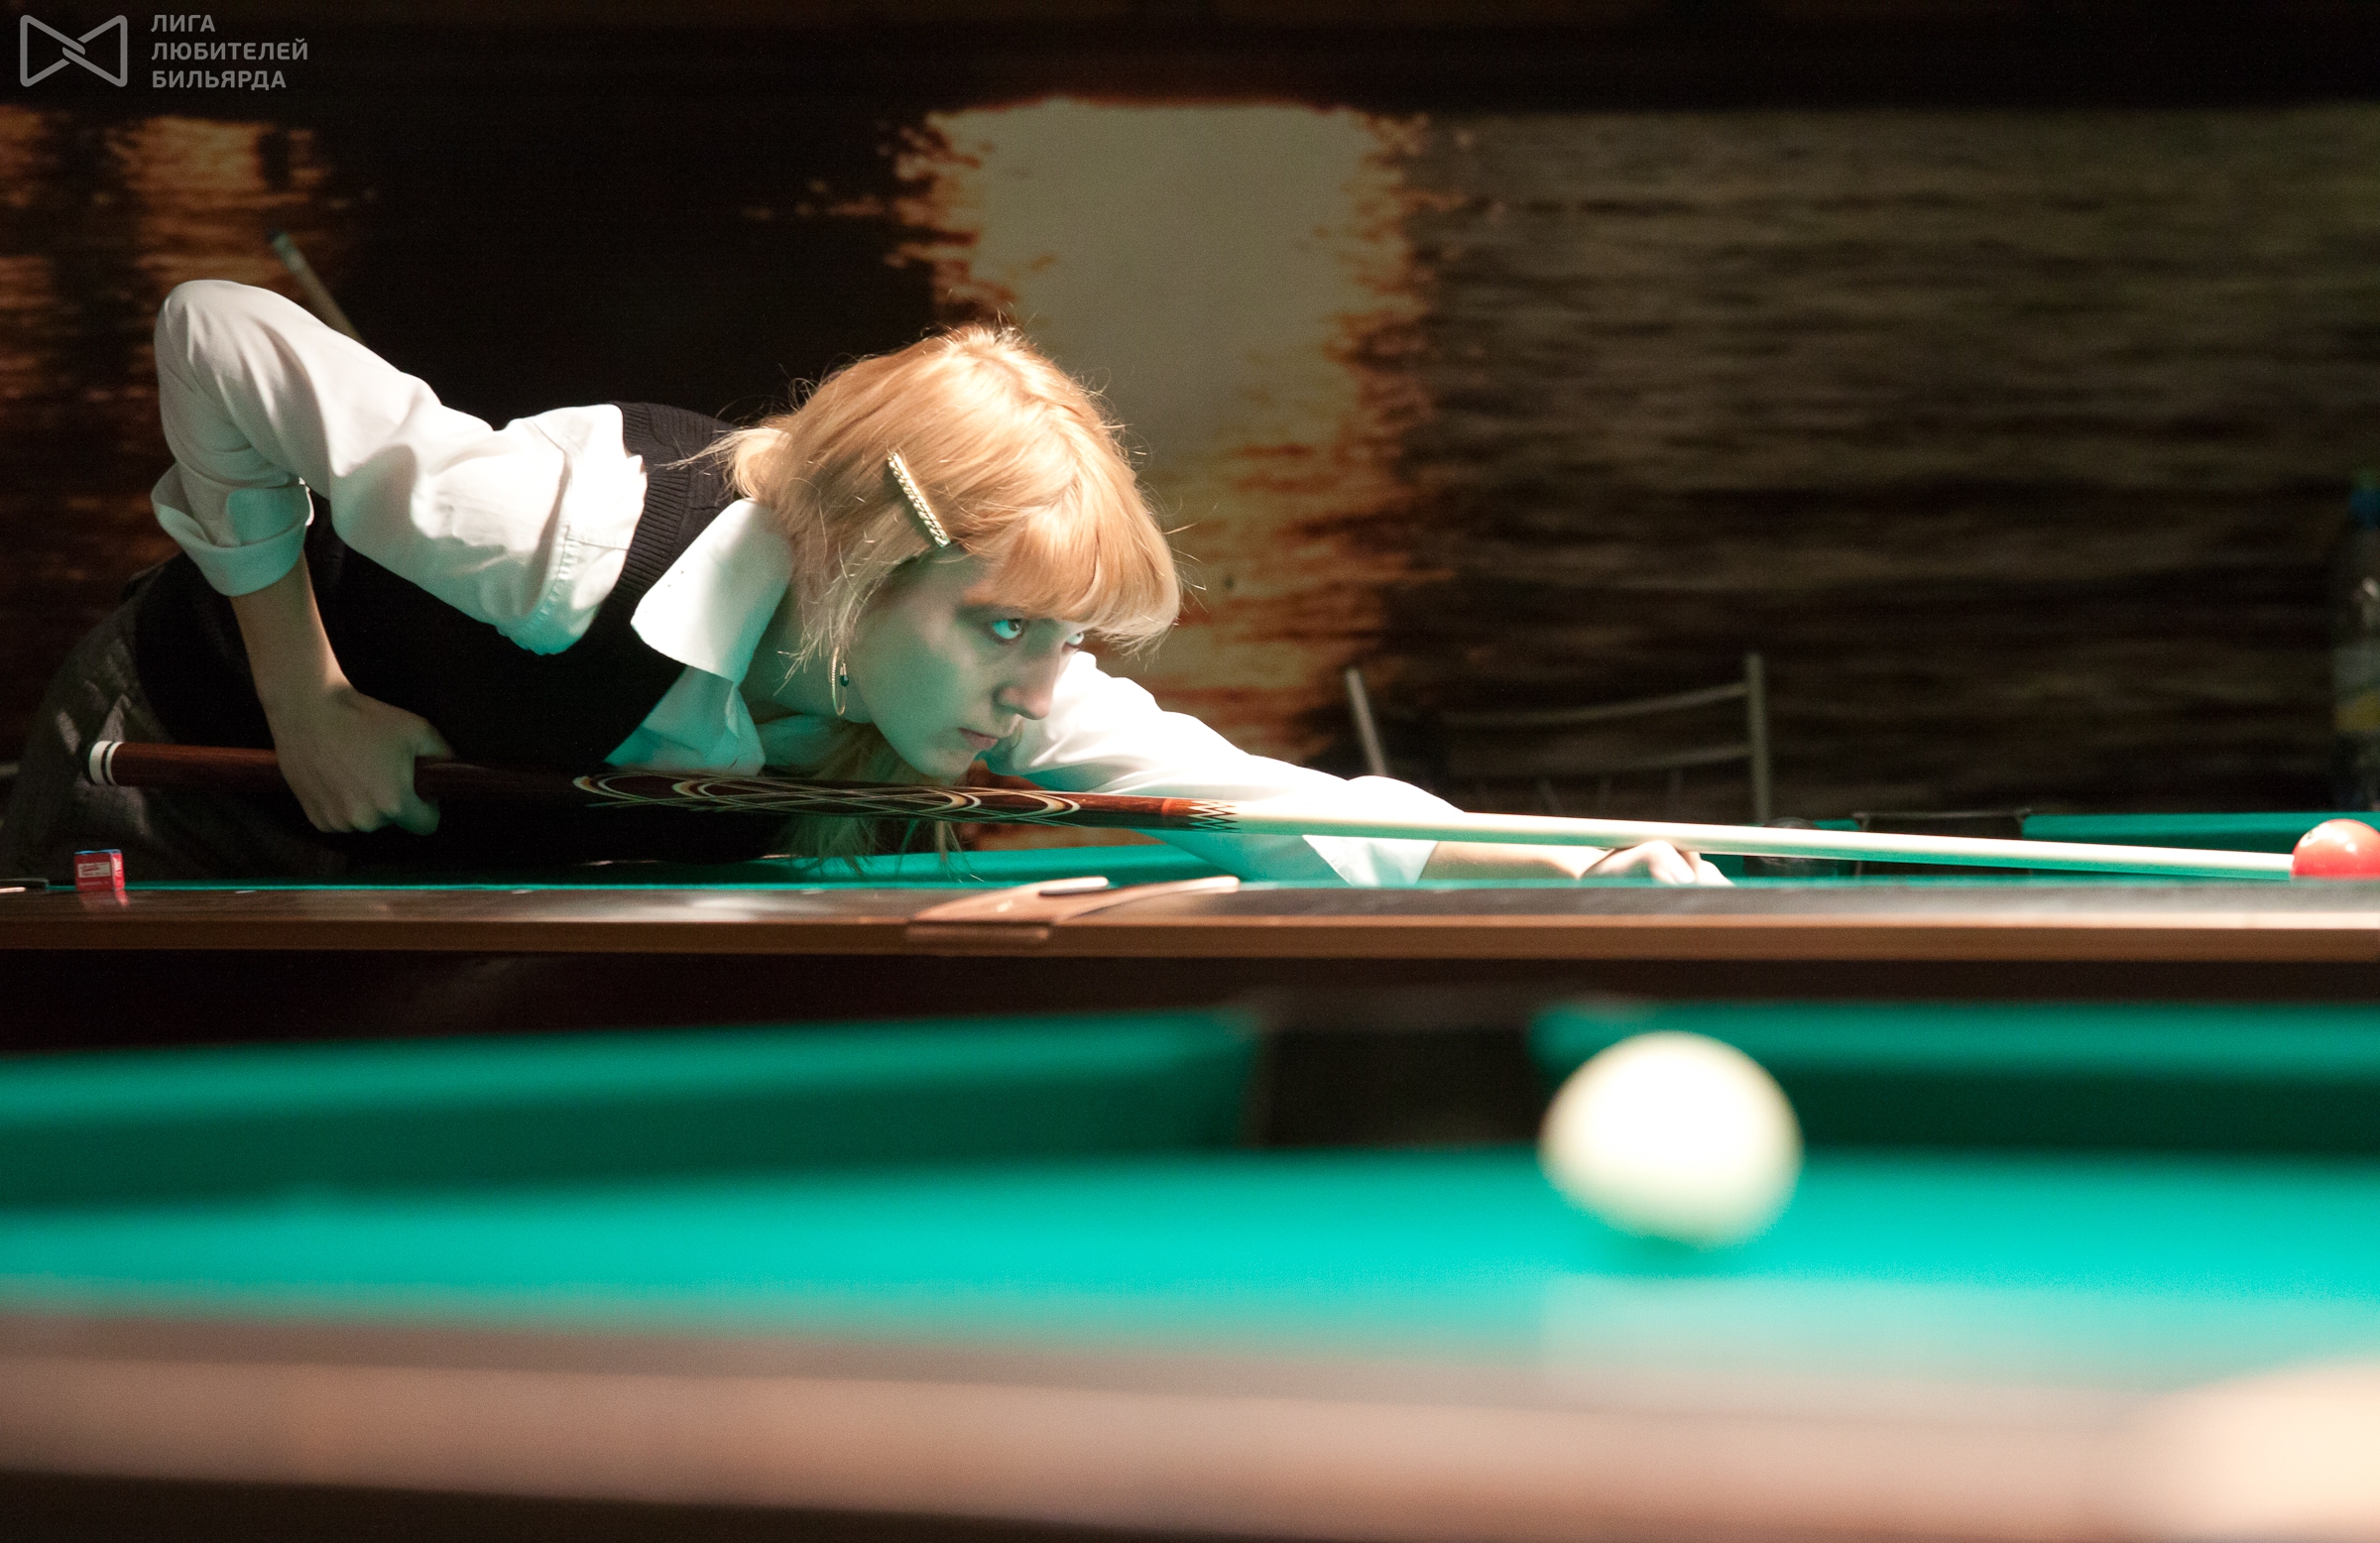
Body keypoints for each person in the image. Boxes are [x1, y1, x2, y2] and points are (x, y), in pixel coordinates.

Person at [1, 279, 1726, 888]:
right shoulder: (554, 540)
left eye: (1057, 636)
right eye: (1002, 628)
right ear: (853, 574)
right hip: (164, 771)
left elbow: (1266, 804)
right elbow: (216, 331)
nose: (1037, 683)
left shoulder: (981, 677)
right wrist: (304, 695)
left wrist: (1570, 869)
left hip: (404, 868)